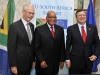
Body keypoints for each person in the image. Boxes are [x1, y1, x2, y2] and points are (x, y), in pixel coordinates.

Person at [66, 9, 100, 74]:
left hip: (88, 61)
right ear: (76, 18)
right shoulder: (71, 29)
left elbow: (97, 43)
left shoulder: (93, 28)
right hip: (75, 62)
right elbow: (68, 46)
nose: (82, 17)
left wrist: (95, 55)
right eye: (80, 15)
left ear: (86, 16)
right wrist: (67, 59)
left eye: (84, 15)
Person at [34, 10, 65, 75]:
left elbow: (62, 46)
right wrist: (41, 60)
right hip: (43, 64)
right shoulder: (39, 29)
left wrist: (62, 59)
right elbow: (36, 47)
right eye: (50, 17)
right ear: (46, 18)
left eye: (54, 17)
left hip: (55, 65)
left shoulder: (60, 29)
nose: (52, 19)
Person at [7, 4, 35, 75]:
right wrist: (13, 65)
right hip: (18, 65)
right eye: (29, 13)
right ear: (23, 12)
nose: (31, 15)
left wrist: (33, 60)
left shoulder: (32, 26)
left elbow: (31, 45)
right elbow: (11, 47)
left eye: (33, 13)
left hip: (29, 64)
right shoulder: (14, 26)